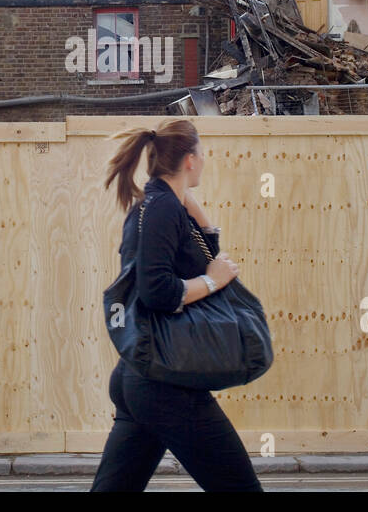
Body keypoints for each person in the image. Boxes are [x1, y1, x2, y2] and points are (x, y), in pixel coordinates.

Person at [90, 118, 263, 492]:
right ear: (190, 159)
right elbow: (157, 292)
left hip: (144, 376)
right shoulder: (160, 210)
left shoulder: (163, 205)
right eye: (201, 153)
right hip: (164, 386)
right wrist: (213, 281)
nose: (204, 160)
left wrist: (187, 199)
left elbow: (204, 252)